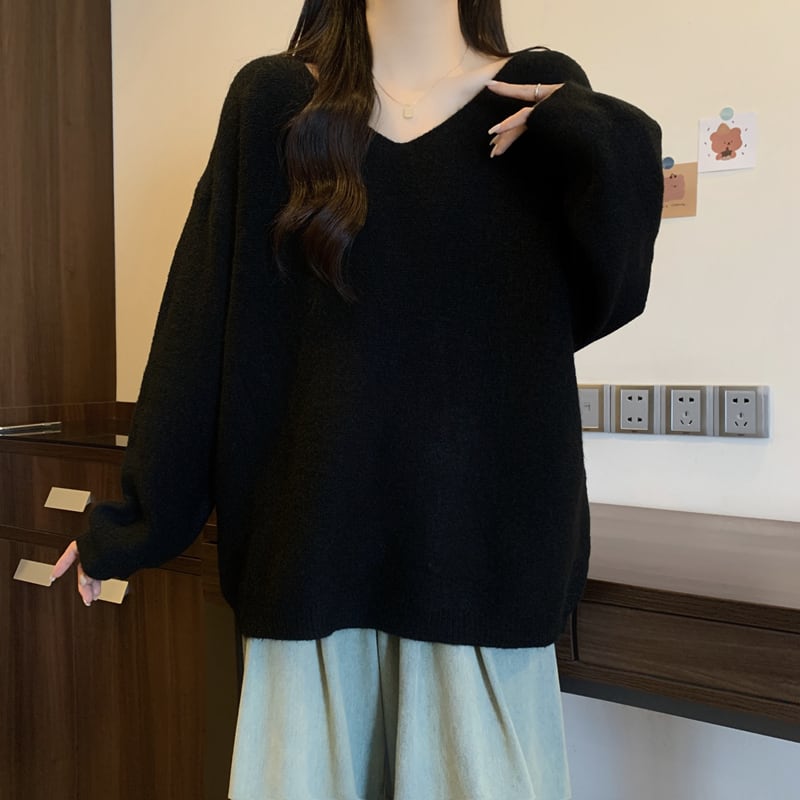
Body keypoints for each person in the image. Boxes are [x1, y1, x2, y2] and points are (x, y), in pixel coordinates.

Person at [51, 0, 663, 797]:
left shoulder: (535, 102)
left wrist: (592, 129)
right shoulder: (276, 103)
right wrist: (135, 522)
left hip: (482, 579)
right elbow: (200, 329)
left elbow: (609, 294)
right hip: (310, 579)